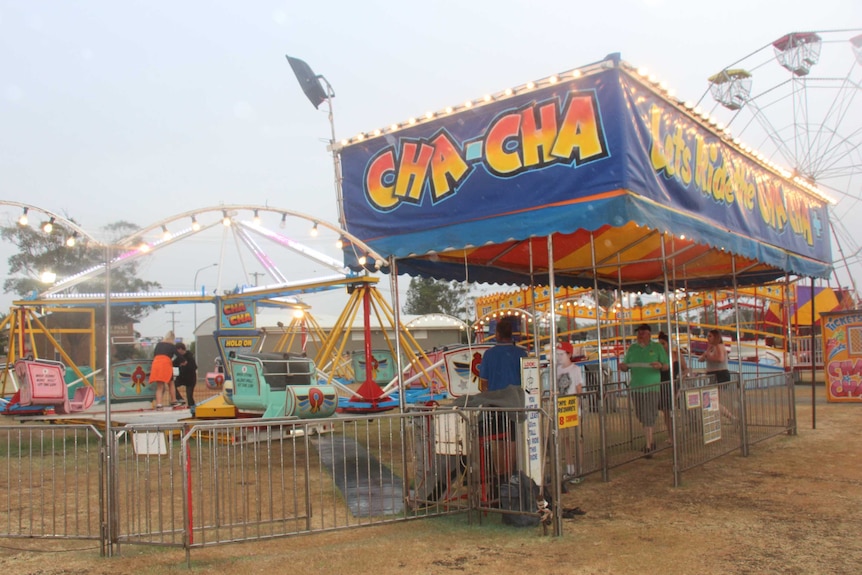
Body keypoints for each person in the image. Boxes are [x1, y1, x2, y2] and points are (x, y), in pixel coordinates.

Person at [477, 317, 527, 477]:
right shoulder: (521, 353)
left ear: (497, 334)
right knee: (512, 439)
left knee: (497, 440)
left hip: (495, 402)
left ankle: (500, 475)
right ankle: (511, 472)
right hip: (515, 401)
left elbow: (483, 383)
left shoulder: (489, 355)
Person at [620, 324, 669, 455]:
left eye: (643, 333)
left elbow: (666, 366)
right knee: (641, 414)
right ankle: (650, 441)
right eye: (639, 333)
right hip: (636, 387)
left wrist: (660, 365)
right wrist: (623, 367)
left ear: (649, 334)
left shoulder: (657, 347)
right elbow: (626, 366)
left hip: (652, 386)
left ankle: (649, 445)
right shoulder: (632, 348)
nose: (640, 335)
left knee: (649, 414)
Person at [555, 341, 584, 482]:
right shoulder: (557, 370)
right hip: (562, 409)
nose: (559, 357)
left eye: (562, 354)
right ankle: (569, 468)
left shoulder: (575, 370)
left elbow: (579, 388)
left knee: (575, 439)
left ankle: (578, 469)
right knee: (565, 440)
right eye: (558, 354)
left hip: (573, 409)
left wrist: (578, 407)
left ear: (569, 354)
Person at [657, 331, 689, 446]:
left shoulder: (677, 355)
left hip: (676, 386)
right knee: (667, 413)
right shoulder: (658, 357)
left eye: (663, 344)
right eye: (659, 344)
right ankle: (671, 436)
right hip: (663, 386)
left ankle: (681, 432)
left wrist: (683, 377)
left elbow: (686, 369)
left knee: (677, 411)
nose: (661, 346)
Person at [149, 331, 177, 410]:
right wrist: (183, 361)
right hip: (166, 364)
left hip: (156, 363)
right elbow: (177, 355)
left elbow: (154, 354)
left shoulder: (159, 344)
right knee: (171, 383)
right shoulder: (171, 346)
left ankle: (159, 404)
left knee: (159, 386)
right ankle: (174, 400)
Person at [173, 342, 198, 408]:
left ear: (181, 349)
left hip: (190, 379)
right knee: (172, 386)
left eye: (177, 350)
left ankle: (192, 407)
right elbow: (173, 364)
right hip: (181, 378)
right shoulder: (179, 358)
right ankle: (180, 399)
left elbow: (194, 367)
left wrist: (184, 366)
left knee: (189, 396)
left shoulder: (190, 356)